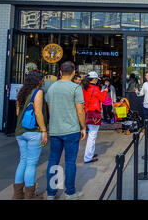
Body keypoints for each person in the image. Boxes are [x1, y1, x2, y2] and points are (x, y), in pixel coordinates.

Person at [45, 61, 86, 200]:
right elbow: (80, 111)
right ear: (74, 72)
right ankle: (70, 193)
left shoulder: (51, 87)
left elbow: (50, 109)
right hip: (71, 129)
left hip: (55, 130)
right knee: (70, 161)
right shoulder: (76, 88)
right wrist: (83, 127)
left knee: (53, 160)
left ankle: (51, 193)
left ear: (60, 72)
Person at [13, 70, 48, 200]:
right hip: (33, 132)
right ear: (38, 80)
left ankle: (17, 195)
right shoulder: (37, 92)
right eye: (42, 79)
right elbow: (38, 112)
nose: (43, 81)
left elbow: (18, 113)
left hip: (20, 131)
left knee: (23, 161)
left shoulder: (21, 92)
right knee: (31, 164)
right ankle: (29, 195)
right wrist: (44, 131)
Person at [82, 72, 108, 163]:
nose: (97, 81)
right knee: (92, 135)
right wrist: (105, 91)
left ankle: (90, 153)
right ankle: (88, 157)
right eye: (97, 79)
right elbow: (103, 99)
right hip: (94, 112)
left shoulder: (85, 88)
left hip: (87, 112)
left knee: (91, 134)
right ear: (94, 79)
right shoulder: (95, 88)